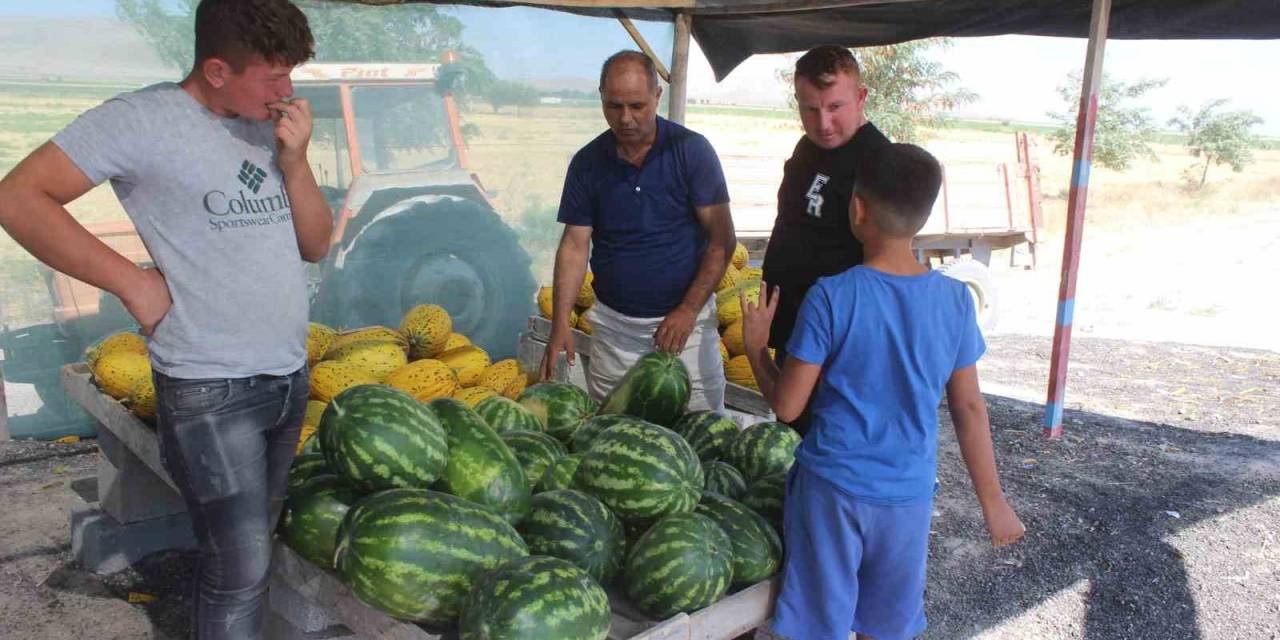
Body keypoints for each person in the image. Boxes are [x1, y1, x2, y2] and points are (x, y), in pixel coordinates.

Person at [0, 1, 330, 638]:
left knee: (254, 552)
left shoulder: (270, 124)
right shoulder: (140, 121)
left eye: (291, 75)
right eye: (272, 77)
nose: (287, 92)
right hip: (211, 387)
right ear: (214, 70)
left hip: (287, 377)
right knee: (238, 569)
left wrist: (294, 160)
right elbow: (18, 197)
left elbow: (314, 244)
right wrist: (133, 283)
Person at [741, 143, 1025, 640]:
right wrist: (993, 502)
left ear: (856, 209)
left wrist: (756, 349)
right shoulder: (956, 301)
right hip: (907, 497)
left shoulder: (832, 295)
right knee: (886, 627)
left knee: (820, 626)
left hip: (831, 493)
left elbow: (787, 407)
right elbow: (970, 408)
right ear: (923, 216)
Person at [540, 50, 734, 411]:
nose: (626, 118)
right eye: (614, 106)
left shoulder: (691, 152)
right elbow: (574, 246)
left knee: (704, 434)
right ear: (600, 96)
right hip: (616, 333)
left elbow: (722, 242)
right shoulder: (588, 163)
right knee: (616, 439)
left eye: (637, 105)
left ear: (657, 96)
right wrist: (560, 323)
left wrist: (688, 310)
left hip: (685, 332)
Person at [762, 45, 891, 434]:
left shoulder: (877, 161)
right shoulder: (808, 147)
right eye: (810, 109)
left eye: (835, 107)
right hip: (794, 328)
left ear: (861, 97)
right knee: (789, 445)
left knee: (821, 442)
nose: (823, 123)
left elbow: (883, 264)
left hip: (837, 343)